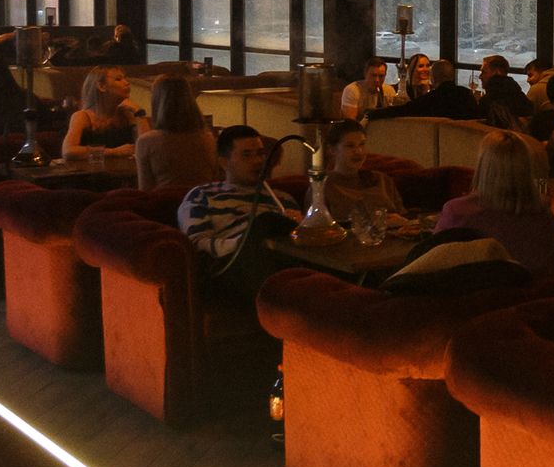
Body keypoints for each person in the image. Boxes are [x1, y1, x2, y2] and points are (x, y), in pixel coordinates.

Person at [178, 125, 299, 302]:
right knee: (264, 222)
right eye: (246, 155)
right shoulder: (203, 195)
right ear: (224, 163)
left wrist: (302, 227)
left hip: (281, 266)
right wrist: (246, 243)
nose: (258, 161)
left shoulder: (282, 199)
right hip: (230, 271)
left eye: (260, 153)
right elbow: (196, 244)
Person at [434, 130, 554, 279]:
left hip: (479, 293)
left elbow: (432, 264)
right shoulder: (544, 215)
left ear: (483, 167)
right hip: (538, 292)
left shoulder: (457, 212)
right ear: (527, 168)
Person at [135, 72, 219, 189]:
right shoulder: (209, 139)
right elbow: (214, 183)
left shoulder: (146, 142)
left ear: (157, 100)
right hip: (199, 200)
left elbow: (145, 190)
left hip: (165, 200)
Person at [320, 119, 405, 224]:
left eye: (362, 144)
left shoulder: (382, 180)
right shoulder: (323, 187)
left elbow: (404, 217)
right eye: (350, 146)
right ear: (332, 150)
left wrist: (401, 221)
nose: (358, 151)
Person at [62, 66, 146, 159]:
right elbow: (68, 151)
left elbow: (146, 147)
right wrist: (114, 152)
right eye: (118, 79)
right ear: (102, 87)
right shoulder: (82, 116)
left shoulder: (126, 114)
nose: (126, 83)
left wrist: (139, 112)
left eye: (125, 78)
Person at [368, 59, 480, 122]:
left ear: (433, 78)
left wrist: (372, 114)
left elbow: (404, 110)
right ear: (453, 76)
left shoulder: (433, 98)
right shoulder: (467, 94)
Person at [478, 55, 534, 128]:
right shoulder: (520, 98)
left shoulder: (488, 102)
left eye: (483, 72)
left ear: (497, 72)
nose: (480, 76)